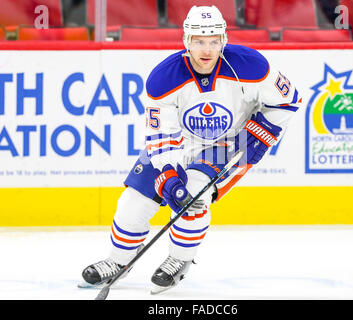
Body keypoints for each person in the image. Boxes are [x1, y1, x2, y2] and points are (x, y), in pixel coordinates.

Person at [80, 5, 302, 294]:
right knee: (132, 202)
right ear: (186, 41)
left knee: (194, 197)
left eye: (213, 40)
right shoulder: (163, 77)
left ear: (223, 39)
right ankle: (118, 261)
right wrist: (168, 173)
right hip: (179, 142)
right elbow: (161, 134)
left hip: (227, 143)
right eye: (199, 41)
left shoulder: (251, 65)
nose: (206, 49)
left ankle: (178, 260)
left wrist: (260, 134)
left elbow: (287, 100)